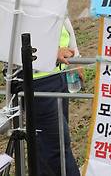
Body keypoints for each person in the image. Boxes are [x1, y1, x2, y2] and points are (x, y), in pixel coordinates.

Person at [31, 17, 82, 176]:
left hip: (59, 72)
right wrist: (50, 51)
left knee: (46, 146)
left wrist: (76, 58)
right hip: (37, 80)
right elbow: (9, 34)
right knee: (57, 149)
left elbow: (64, 18)